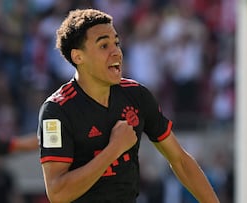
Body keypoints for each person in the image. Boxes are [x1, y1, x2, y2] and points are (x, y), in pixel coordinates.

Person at [38, 8, 220, 203]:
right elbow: (58, 193)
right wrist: (114, 149)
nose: (116, 52)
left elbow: (180, 160)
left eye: (116, 43)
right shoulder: (56, 111)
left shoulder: (136, 95)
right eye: (103, 46)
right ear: (78, 57)